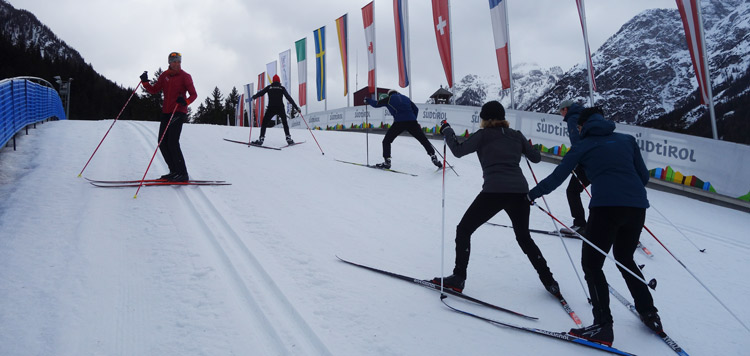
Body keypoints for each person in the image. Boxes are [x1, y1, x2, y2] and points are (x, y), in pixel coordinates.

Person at [528, 107, 662, 347]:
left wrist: (531, 195)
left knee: (592, 264)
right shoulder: (627, 140)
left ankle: (602, 326)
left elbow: (558, 176)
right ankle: (649, 312)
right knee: (625, 258)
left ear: (583, 126)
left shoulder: (583, 145)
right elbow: (643, 177)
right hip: (637, 207)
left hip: (606, 208)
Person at [431, 101, 560, 299]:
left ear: (486, 119)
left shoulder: (483, 135)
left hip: (494, 191)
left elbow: (458, 150)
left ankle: (458, 278)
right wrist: (525, 148)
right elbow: (535, 158)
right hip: (519, 192)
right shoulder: (516, 135)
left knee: (464, 229)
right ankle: (549, 281)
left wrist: (447, 131)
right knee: (524, 238)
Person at [140, 51, 197, 182]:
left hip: (178, 111)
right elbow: (154, 90)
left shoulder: (185, 76)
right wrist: (145, 83)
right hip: (166, 112)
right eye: (174, 62)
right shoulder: (164, 76)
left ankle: (182, 173)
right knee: (162, 142)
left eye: (178, 61)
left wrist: (185, 101)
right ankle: (174, 171)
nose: (176, 64)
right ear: (169, 63)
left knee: (172, 142)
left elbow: (194, 94)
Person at [364, 89, 442, 169]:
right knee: (423, 140)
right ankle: (433, 156)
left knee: (387, 141)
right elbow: (416, 109)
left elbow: (376, 104)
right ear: (397, 92)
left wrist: (367, 100)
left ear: (389, 94)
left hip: (399, 122)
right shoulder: (406, 98)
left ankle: (387, 162)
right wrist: (413, 118)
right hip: (412, 122)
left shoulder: (389, 99)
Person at [558, 100, 590, 235]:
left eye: (561, 111)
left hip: (587, 162)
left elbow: (578, 143)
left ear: (566, 109)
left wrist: (575, 161)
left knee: (572, 191)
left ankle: (580, 224)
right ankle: (624, 230)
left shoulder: (573, 119)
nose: (561, 115)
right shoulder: (585, 115)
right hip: (602, 160)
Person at [251, 75, 301, 146]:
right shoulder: (282, 88)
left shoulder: (269, 87)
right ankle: (288, 138)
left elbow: (261, 93)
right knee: (285, 123)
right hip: (280, 108)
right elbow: (288, 98)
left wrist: (254, 97)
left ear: (273, 81)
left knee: (264, 123)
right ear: (279, 81)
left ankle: (261, 139)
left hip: (271, 108)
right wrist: (296, 108)